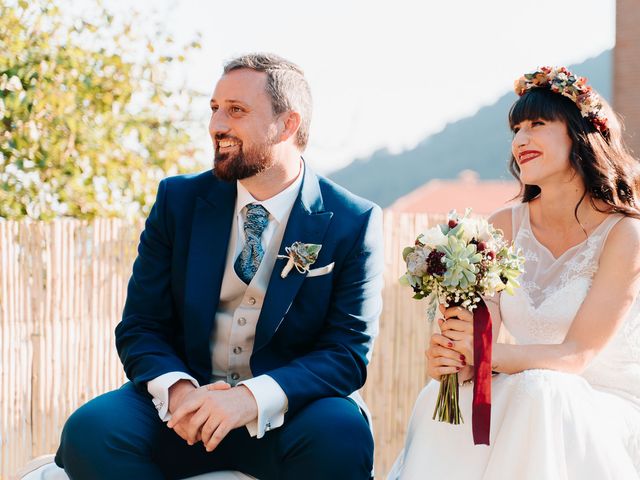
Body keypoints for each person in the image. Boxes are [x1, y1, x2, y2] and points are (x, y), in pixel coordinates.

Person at [54, 53, 383, 480]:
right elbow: (141, 325)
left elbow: (346, 353)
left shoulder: (352, 221)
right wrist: (179, 392)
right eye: (214, 109)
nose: (216, 126)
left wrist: (249, 397)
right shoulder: (178, 201)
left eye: (236, 111)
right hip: (183, 413)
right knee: (91, 431)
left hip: (286, 415)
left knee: (342, 435)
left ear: (288, 124)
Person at [388, 67, 640, 479]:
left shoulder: (625, 234)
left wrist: (485, 358)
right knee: (445, 397)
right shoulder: (503, 226)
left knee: (543, 393)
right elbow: (480, 332)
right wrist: (457, 361)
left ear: (580, 134)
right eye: (516, 128)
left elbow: (576, 354)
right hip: (529, 388)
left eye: (538, 124)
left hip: (604, 402)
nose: (521, 139)